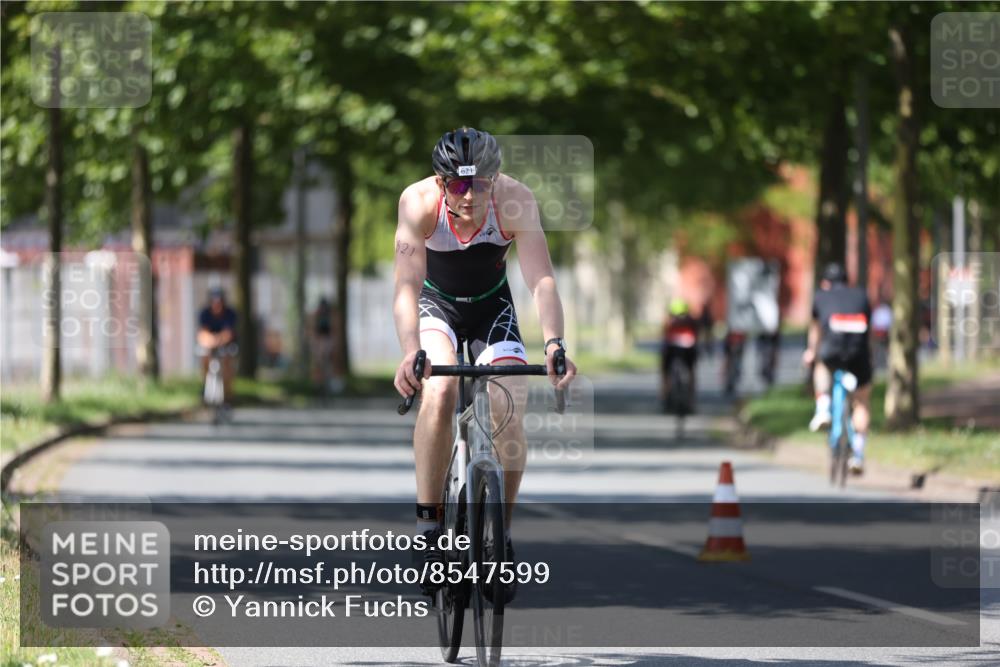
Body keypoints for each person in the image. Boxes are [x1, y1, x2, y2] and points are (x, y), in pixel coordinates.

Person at [392, 127, 577, 599]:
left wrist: (554, 343)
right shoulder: (417, 203)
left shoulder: (515, 199)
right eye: (458, 185)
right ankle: (429, 525)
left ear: (495, 180)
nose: (470, 195)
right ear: (440, 183)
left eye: (481, 184)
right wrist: (409, 351)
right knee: (440, 389)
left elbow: (541, 279)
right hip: (438, 307)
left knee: (509, 405)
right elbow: (407, 287)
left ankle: (500, 537)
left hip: (493, 309)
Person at [802, 262, 873, 475]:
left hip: (831, 351)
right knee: (861, 401)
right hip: (858, 353)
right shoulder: (861, 296)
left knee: (821, 365)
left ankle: (823, 407)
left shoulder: (821, 296)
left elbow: (815, 331)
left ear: (825, 283)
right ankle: (858, 453)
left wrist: (811, 353)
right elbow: (869, 333)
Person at [196, 287, 238, 406]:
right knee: (204, 357)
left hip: (227, 346)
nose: (217, 305)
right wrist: (212, 341)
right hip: (210, 344)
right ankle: (204, 385)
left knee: (228, 361)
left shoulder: (230, 314)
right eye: (215, 302)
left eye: (219, 302)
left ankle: (228, 392)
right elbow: (202, 334)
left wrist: (218, 340)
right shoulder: (205, 313)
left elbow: (229, 334)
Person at [660, 298, 698, 412]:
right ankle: (691, 401)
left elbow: (664, 334)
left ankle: (665, 396)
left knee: (665, 372)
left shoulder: (669, 320)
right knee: (691, 371)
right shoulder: (690, 320)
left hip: (671, 349)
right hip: (689, 348)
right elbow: (697, 333)